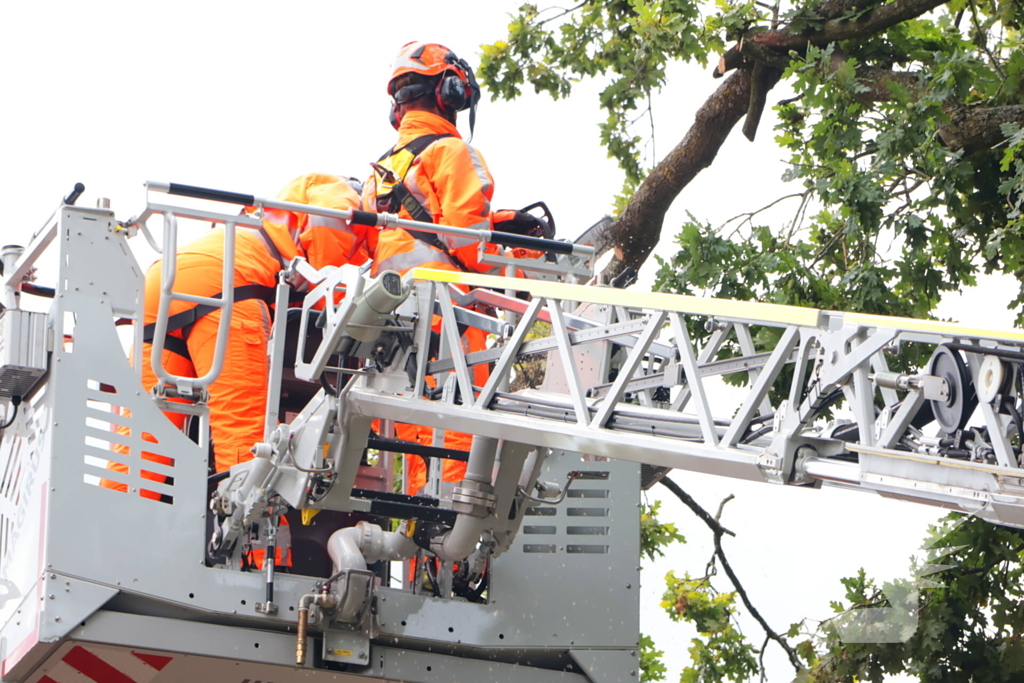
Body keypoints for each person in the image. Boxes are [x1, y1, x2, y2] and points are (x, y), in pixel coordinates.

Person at [105, 174, 369, 565]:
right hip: (229, 285)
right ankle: (258, 565)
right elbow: (330, 240)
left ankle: (106, 543)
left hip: (165, 282)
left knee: (143, 441)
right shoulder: (342, 193)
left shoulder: (276, 210)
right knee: (244, 439)